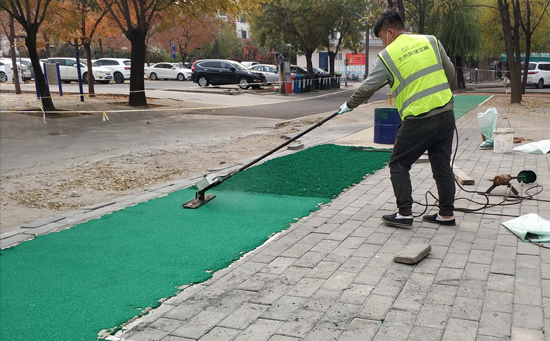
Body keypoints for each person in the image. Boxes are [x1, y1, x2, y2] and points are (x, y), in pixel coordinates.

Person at [337, 10, 457, 228]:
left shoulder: (388, 55)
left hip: (419, 117)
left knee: (399, 162)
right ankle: (446, 214)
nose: (383, 43)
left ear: (390, 32)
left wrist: (349, 105)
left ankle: (404, 213)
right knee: (442, 164)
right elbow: (450, 74)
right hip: (446, 112)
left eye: (382, 37)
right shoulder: (431, 41)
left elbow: (368, 87)